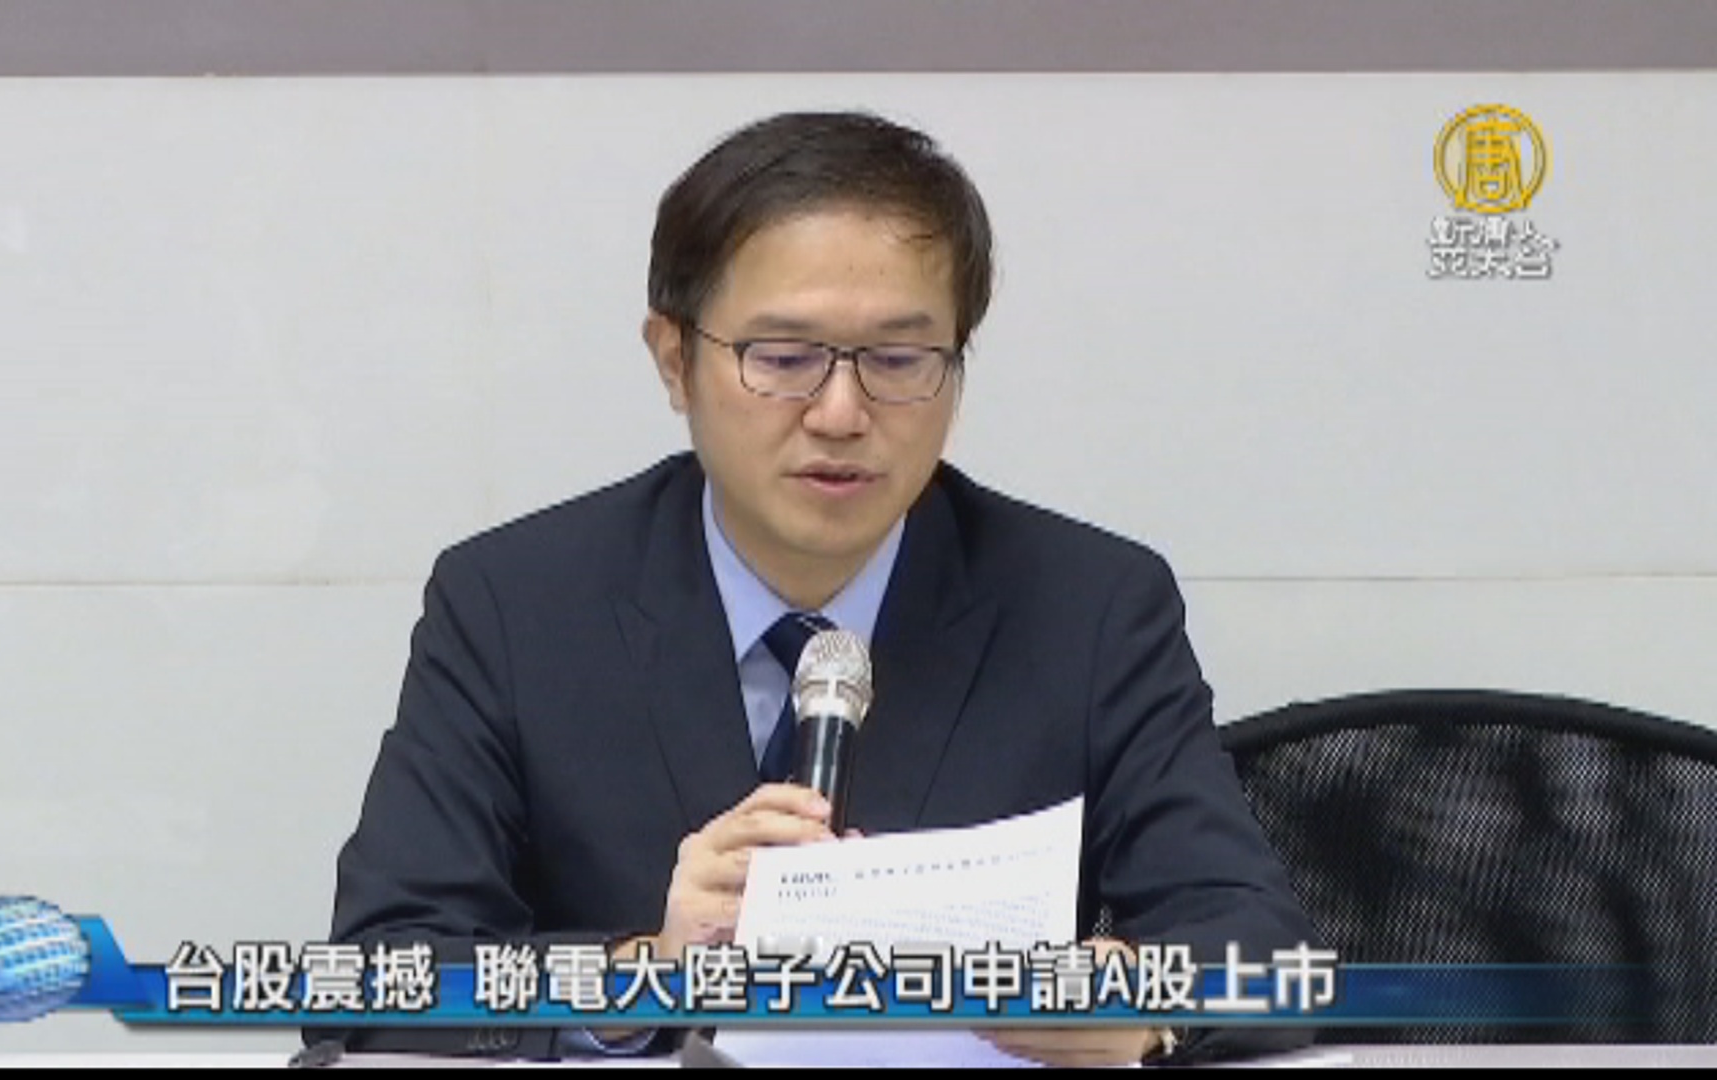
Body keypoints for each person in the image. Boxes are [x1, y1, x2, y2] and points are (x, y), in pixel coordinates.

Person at [319, 110, 1317, 1066]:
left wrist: (1146, 1010)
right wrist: (643, 975)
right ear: (674, 360)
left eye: (899, 359)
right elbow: (383, 969)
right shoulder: (514, 605)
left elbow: (1258, 944)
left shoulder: (1090, 607)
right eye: (785, 358)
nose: (841, 413)